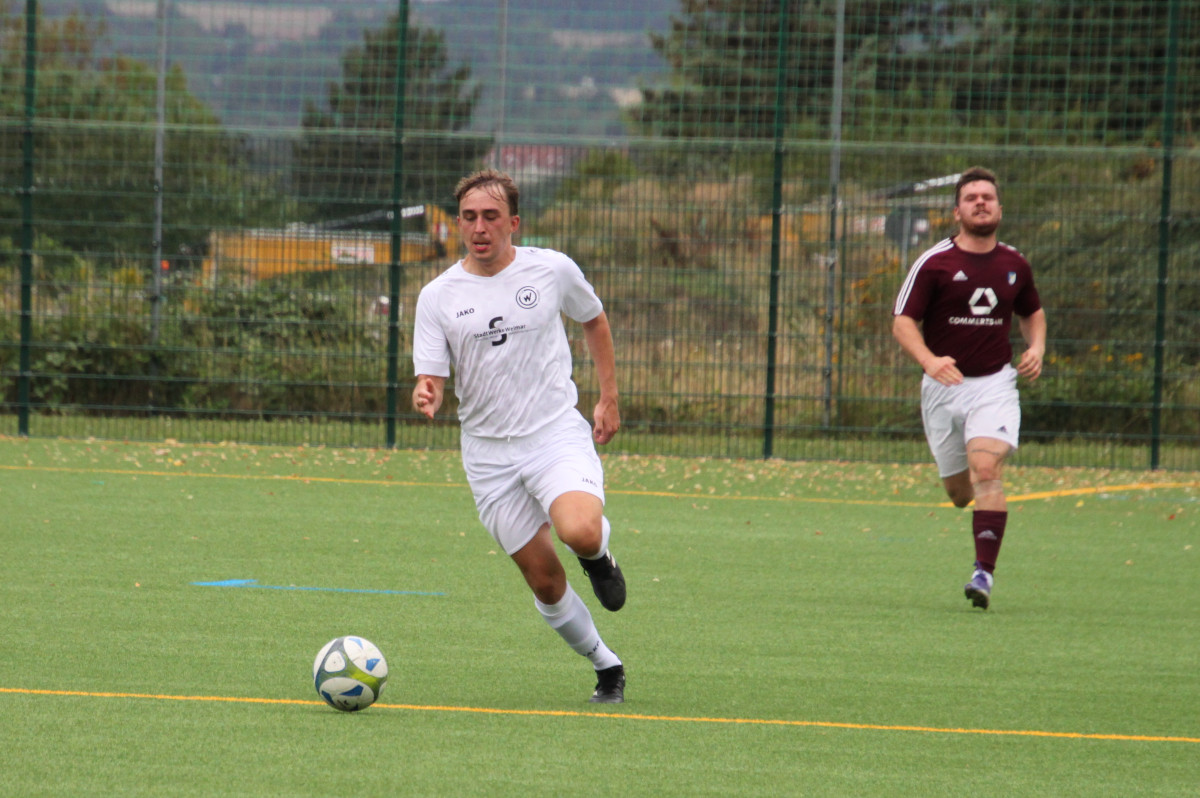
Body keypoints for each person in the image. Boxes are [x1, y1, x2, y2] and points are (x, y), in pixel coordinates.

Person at [411, 169, 627, 702]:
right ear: (459, 223)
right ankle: (606, 665)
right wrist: (428, 392)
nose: (479, 227)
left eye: (490, 216)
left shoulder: (551, 270)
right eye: (468, 217)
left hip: (553, 433)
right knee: (546, 583)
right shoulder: (437, 296)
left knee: (578, 531)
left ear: (513, 222)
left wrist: (608, 396)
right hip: (488, 456)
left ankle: (599, 557)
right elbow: (431, 375)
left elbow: (594, 319)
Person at [892, 166, 1046, 610]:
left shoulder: (1015, 264)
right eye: (972, 197)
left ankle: (983, 574)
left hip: (994, 385)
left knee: (987, 471)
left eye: (988, 197)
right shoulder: (934, 262)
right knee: (960, 493)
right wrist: (930, 360)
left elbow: (1032, 312)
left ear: (1000, 208)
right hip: (942, 390)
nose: (981, 202)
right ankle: (977, 526)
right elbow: (903, 322)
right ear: (956, 210)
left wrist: (1036, 347)